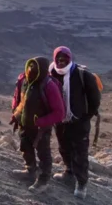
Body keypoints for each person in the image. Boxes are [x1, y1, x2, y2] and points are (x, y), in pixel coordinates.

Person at [49, 46, 101, 199]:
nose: (61, 61)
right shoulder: (51, 73)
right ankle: (69, 172)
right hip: (60, 120)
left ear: (70, 59)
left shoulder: (82, 75)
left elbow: (94, 100)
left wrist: (85, 117)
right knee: (64, 147)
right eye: (58, 58)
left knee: (80, 152)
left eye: (64, 58)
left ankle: (81, 182)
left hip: (79, 120)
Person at [10, 57, 65, 192]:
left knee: (43, 154)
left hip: (40, 128)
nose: (31, 69)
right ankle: (30, 170)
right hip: (24, 123)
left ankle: (43, 180)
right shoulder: (24, 80)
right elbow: (19, 99)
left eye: (35, 67)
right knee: (25, 148)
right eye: (30, 66)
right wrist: (16, 115)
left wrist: (41, 122)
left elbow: (59, 112)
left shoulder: (49, 85)